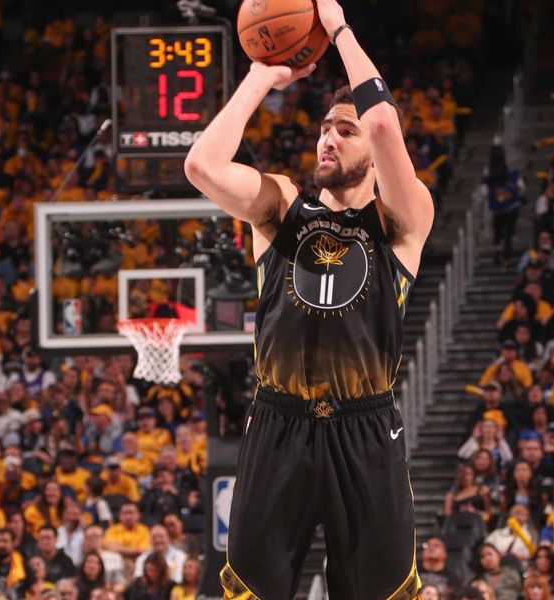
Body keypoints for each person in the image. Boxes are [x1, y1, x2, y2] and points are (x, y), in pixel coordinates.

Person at [184, 0, 434, 596]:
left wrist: (338, 27)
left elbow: (381, 125)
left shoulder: (402, 219)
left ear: (372, 155)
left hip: (366, 429)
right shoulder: (281, 209)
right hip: (278, 422)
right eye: (324, 127)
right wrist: (261, 75)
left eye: (343, 131)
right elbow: (201, 164)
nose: (328, 138)